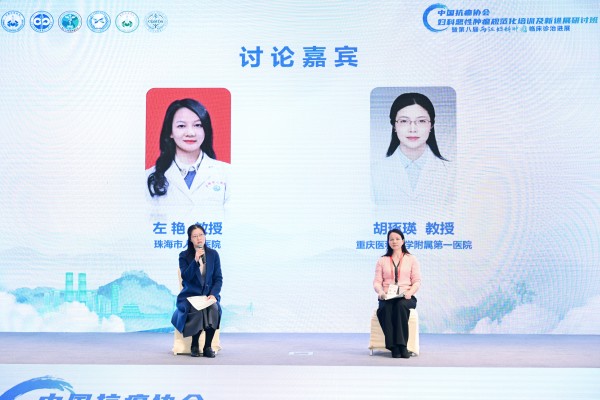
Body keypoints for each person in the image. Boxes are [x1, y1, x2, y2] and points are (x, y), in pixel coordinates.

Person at [146, 98, 230, 213]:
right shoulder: (149, 177)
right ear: (170, 132)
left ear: (205, 130)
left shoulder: (227, 173)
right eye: (181, 126)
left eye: (198, 125)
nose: (190, 133)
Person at [372, 92, 455, 206]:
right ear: (394, 126)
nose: (412, 129)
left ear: (431, 125)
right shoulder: (374, 173)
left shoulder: (452, 173)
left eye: (421, 121)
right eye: (404, 121)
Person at [171, 224, 223, 357]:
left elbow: (218, 278)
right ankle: (194, 344)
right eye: (195, 236)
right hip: (190, 296)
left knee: (213, 308)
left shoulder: (213, 254)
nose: (199, 238)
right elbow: (186, 277)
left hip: (208, 296)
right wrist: (195, 260)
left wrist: (213, 294)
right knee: (197, 309)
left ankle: (207, 346)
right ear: (190, 239)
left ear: (205, 236)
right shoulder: (184, 255)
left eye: (201, 235)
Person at [373, 229, 421, 358]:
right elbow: (377, 282)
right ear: (388, 242)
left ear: (403, 241)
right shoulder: (382, 260)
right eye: (391, 239)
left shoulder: (411, 259)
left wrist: (410, 292)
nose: (394, 241)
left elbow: (417, 281)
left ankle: (402, 346)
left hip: (406, 296)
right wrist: (380, 292)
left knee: (400, 306)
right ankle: (393, 347)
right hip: (387, 296)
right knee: (385, 309)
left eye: (397, 239)